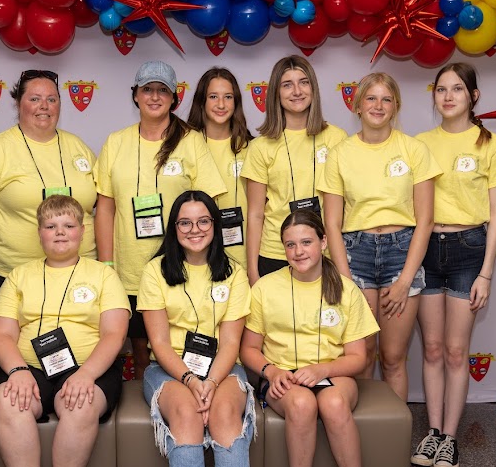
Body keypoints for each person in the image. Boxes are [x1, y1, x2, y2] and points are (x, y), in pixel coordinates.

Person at [0, 195, 129, 467]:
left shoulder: (103, 275)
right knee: (8, 401)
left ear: (82, 231)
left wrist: (86, 375)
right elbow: (2, 335)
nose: (60, 232)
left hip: (88, 367)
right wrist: (17, 370)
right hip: (29, 368)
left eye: (68, 225)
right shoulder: (18, 276)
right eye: (51, 226)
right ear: (39, 233)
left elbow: (114, 334)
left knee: (80, 404)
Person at [240, 211, 381, 467]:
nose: (298, 251)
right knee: (302, 403)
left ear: (323, 242)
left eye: (306, 242)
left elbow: (358, 358)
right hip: (282, 378)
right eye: (290, 245)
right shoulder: (265, 288)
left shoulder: (346, 289)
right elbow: (248, 349)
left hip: (333, 373)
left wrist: (322, 370)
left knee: (332, 403)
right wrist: (272, 371)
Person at [137, 191, 255, 467]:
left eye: (203, 221)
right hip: (169, 370)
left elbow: (232, 342)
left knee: (224, 414)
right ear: (174, 228)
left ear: (215, 225)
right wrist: (190, 380)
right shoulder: (155, 271)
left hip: (223, 368)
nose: (195, 229)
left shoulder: (234, 273)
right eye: (185, 222)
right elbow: (159, 343)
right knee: (187, 415)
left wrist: (212, 382)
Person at [411, 63, 496, 467]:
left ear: (473, 96)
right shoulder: (420, 144)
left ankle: (450, 439)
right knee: (432, 348)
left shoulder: (491, 144)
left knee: (457, 351)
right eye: (441, 89)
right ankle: (432, 432)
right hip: (425, 248)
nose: (448, 96)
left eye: (457, 89)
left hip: (468, 248)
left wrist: (486, 273)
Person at [95, 60, 226, 379]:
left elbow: (208, 206)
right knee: (141, 358)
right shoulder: (116, 142)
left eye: (163, 90)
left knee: (178, 351)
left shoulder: (190, 140)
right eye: (147, 89)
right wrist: (107, 266)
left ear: (174, 98)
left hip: (179, 266)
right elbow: (105, 208)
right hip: (129, 269)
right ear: (135, 95)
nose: (154, 97)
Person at [319, 72, 440, 401]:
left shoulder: (414, 149)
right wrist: (345, 280)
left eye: (386, 99)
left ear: (395, 106)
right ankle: (360, 431)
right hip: (354, 252)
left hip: (402, 253)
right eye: (371, 98)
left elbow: (426, 220)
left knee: (393, 357)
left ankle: (394, 432)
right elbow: (332, 223)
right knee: (361, 356)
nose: (378, 105)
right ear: (358, 105)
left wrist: (405, 280)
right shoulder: (340, 153)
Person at [0, 69, 98, 293]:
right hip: (19, 274)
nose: (44, 106)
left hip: (81, 272)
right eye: (35, 99)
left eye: (52, 99)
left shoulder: (78, 147)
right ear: (18, 103)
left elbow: (99, 202)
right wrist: (6, 220)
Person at [240, 55, 347, 285]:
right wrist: (253, 271)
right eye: (287, 85)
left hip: (324, 251)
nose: (297, 91)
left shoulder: (337, 138)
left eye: (303, 82)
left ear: (313, 88)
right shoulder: (260, 147)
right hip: (275, 253)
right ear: (276, 93)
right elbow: (256, 214)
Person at [187, 67, 253, 271]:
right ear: (202, 101)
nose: (221, 104)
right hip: (198, 255)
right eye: (213, 96)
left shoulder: (252, 148)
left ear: (236, 102)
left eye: (228, 97)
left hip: (246, 253)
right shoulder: (186, 146)